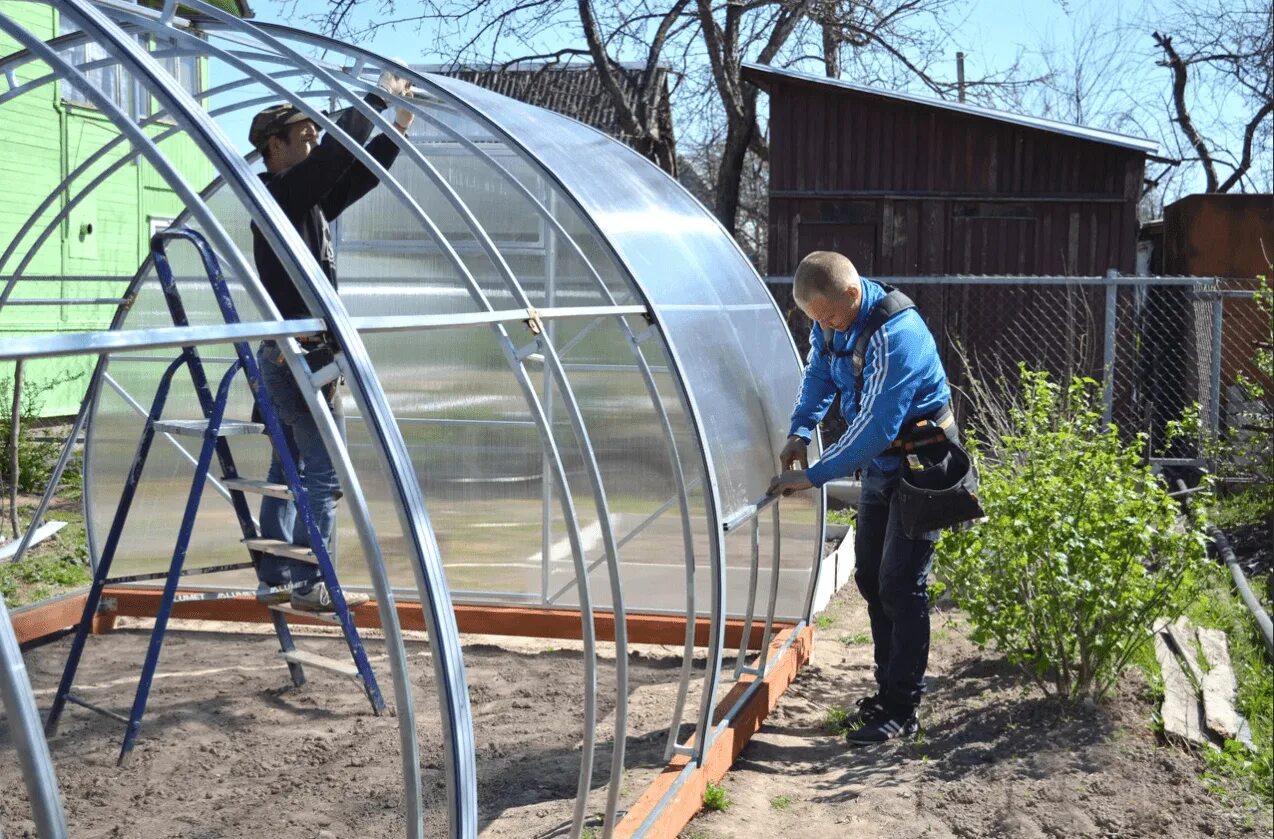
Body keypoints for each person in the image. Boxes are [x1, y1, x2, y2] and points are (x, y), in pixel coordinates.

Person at [768, 251, 952, 745]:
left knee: (901, 583)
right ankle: (884, 695)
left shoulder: (898, 335)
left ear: (851, 294)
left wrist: (816, 476)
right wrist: (800, 431)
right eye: (814, 320)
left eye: (826, 317)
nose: (822, 326)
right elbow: (820, 376)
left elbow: (875, 425)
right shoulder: (831, 322)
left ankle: (902, 707)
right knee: (870, 575)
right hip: (880, 465)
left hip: (920, 466)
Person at [247, 71, 414, 612]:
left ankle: (276, 577)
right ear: (276, 147)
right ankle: (309, 581)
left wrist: (398, 126)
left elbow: (354, 172)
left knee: (288, 465)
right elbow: (333, 159)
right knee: (324, 467)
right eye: (305, 135)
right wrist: (372, 101)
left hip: (292, 352)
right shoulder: (278, 194)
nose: (315, 141)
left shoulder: (302, 203)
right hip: (296, 353)